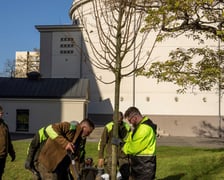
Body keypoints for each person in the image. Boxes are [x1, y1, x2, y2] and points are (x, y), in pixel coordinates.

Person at [122, 107, 157, 180]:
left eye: (130, 120)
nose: (130, 123)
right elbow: (130, 140)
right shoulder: (139, 127)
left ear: (134, 118)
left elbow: (134, 148)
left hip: (144, 167)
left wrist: (122, 145)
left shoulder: (144, 128)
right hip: (141, 165)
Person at [97, 111, 131, 179]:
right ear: (113, 118)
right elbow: (102, 142)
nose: (118, 121)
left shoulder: (127, 127)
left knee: (125, 174)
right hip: (110, 154)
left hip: (123, 155)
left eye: (120, 120)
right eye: (116, 119)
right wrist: (101, 157)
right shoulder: (108, 127)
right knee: (110, 175)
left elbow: (130, 142)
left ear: (122, 118)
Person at [0, 105, 16, 180]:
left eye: (1, 112)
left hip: (3, 156)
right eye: (0, 112)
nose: (1, 113)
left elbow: (8, 142)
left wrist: (12, 153)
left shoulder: (4, 126)